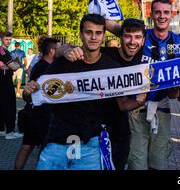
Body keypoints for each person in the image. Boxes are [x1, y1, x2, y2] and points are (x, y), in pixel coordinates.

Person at [96, 0, 180, 170]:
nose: (162, 16)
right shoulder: (138, 35)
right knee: (137, 162)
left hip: (162, 107)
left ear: (172, 14)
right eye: (157, 12)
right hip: (135, 107)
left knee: (159, 162)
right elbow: (103, 22)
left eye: (166, 12)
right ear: (151, 15)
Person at [26, 14, 126, 170]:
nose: (93, 37)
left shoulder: (112, 67)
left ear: (103, 36)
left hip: (90, 143)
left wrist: (140, 99)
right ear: (81, 34)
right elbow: (35, 94)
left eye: (98, 33)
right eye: (88, 32)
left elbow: (123, 103)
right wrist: (29, 90)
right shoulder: (62, 62)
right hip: (57, 140)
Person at [58, 18, 148, 170]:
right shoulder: (102, 53)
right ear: (120, 37)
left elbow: (123, 105)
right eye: (127, 36)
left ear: (143, 40)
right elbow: (61, 48)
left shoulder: (142, 61)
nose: (132, 42)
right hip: (88, 132)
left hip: (118, 133)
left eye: (138, 37)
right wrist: (66, 50)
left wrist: (139, 101)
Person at [15, 38, 60, 169]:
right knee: (44, 148)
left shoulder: (41, 65)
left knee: (27, 146)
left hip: (35, 112)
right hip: (40, 114)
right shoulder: (45, 67)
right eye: (59, 48)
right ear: (52, 51)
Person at [0, 32, 22, 139]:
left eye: (10, 39)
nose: (8, 41)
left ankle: (2, 130)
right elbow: (14, 67)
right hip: (5, 81)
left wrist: (5, 66)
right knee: (10, 105)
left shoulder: (4, 51)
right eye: (6, 39)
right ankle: (10, 132)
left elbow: (5, 66)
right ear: (1, 39)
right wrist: (16, 65)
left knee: (2, 105)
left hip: (3, 80)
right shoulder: (3, 52)